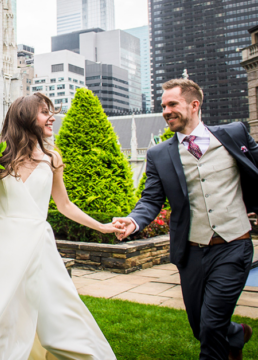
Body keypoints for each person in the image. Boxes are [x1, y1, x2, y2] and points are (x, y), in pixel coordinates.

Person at [0, 93, 120, 360]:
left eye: (51, 111)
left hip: (38, 244)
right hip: (2, 246)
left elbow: (65, 205)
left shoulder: (53, 158)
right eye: (45, 112)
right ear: (25, 116)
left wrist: (102, 227)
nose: (52, 117)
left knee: (61, 312)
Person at [113, 79, 257, 360]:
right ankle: (236, 334)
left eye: (172, 104)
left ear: (194, 105)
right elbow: (151, 199)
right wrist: (134, 221)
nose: (165, 111)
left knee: (211, 327)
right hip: (191, 251)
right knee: (200, 326)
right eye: (163, 106)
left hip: (233, 246)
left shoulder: (234, 133)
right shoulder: (158, 154)